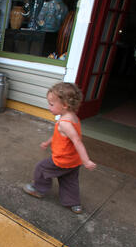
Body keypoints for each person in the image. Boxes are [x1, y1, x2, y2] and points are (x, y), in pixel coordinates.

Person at [22, 82, 97, 214]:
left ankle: (38, 189)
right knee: (69, 181)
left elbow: (77, 141)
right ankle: (74, 204)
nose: (49, 107)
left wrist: (87, 161)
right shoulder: (73, 118)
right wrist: (48, 142)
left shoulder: (64, 123)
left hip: (62, 160)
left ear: (64, 105)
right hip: (74, 161)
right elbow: (60, 136)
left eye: (51, 104)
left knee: (41, 168)